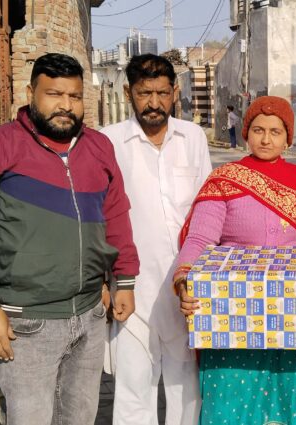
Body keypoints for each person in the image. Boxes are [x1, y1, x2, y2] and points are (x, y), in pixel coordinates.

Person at [0, 52, 139, 425]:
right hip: (26, 323)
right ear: (30, 93)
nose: (65, 105)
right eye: (54, 94)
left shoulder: (99, 147)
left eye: (74, 96)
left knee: (81, 419)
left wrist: (125, 280)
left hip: (90, 314)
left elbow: (116, 215)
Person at [173, 96, 296, 425]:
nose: (266, 139)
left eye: (276, 131)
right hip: (233, 316)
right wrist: (184, 278)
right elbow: (200, 239)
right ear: (246, 133)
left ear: (288, 138)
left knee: (294, 402)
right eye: (258, 130)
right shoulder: (225, 180)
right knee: (231, 405)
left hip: (293, 313)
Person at [100, 54, 212, 425]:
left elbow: (208, 209)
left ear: (175, 92)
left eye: (162, 93)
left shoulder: (192, 137)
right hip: (132, 285)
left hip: (186, 284)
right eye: (144, 93)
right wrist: (104, 281)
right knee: (134, 389)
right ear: (128, 93)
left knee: (187, 387)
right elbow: (98, 215)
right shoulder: (109, 142)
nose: (154, 103)